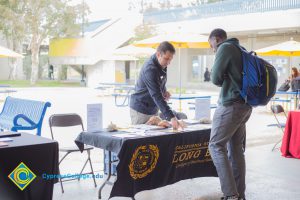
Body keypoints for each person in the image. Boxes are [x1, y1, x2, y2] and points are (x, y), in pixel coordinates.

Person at [208, 28, 252, 200]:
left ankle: (231, 195)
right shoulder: (241, 49)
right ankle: (239, 195)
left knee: (215, 146)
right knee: (235, 150)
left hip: (230, 105)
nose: (212, 48)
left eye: (211, 44)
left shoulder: (224, 48)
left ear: (216, 39)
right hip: (245, 106)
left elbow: (215, 79)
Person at [129, 41, 183, 130]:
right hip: (141, 110)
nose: (168, 63)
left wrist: (164, 91)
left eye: (170, 59)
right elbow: (156, 95)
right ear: (158, 54)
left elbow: (159, 82)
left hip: (153, 108)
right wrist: (171, 117)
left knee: (155, 139)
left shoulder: (162, 64)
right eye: (166, 59)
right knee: (142, 141)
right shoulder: (150, 69)